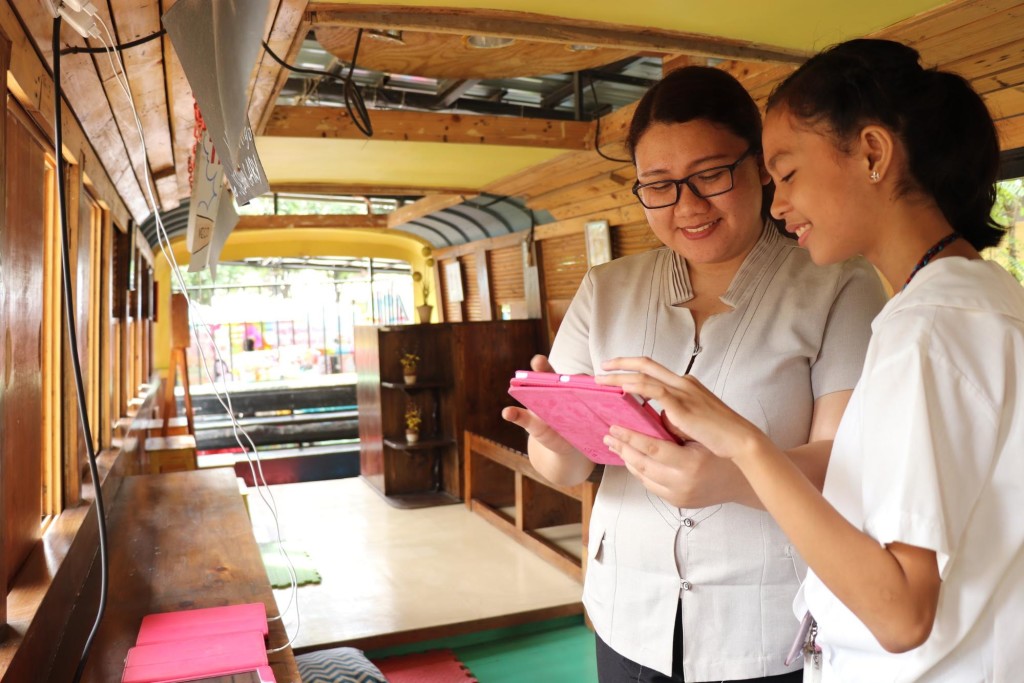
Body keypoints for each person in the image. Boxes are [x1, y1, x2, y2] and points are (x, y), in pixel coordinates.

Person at [597, 40, 1024, 682]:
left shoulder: (930, 329)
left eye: (788, 172)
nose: (777, 202)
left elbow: (901, 612)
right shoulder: (978, 296)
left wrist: (743, 444)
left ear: (873, 154)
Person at [502, 66, 887, 682]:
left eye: (710, 175)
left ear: (760, 165)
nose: (688, 206)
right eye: (659, 184)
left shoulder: (838, 282)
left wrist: (730, 478)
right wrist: (553, 438)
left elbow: (843, 460)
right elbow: (567, 471)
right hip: (627, 611)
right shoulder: (606, 290)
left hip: (766, 620)